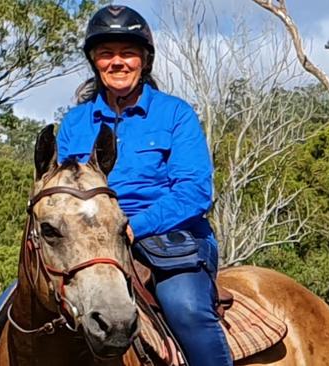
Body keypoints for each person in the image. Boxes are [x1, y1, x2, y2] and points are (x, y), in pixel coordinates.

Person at [56, 5, 233, 366]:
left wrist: (133, 227)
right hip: (91, 245)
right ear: (94, 61)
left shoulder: (175, 114)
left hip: (169, 239)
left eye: (128, 53)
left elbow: (195, 190)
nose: (117, 62)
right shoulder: (75, 122)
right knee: (6, 308)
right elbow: (63, 196)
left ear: (144, 60)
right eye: (106, 54)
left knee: (186, 311)